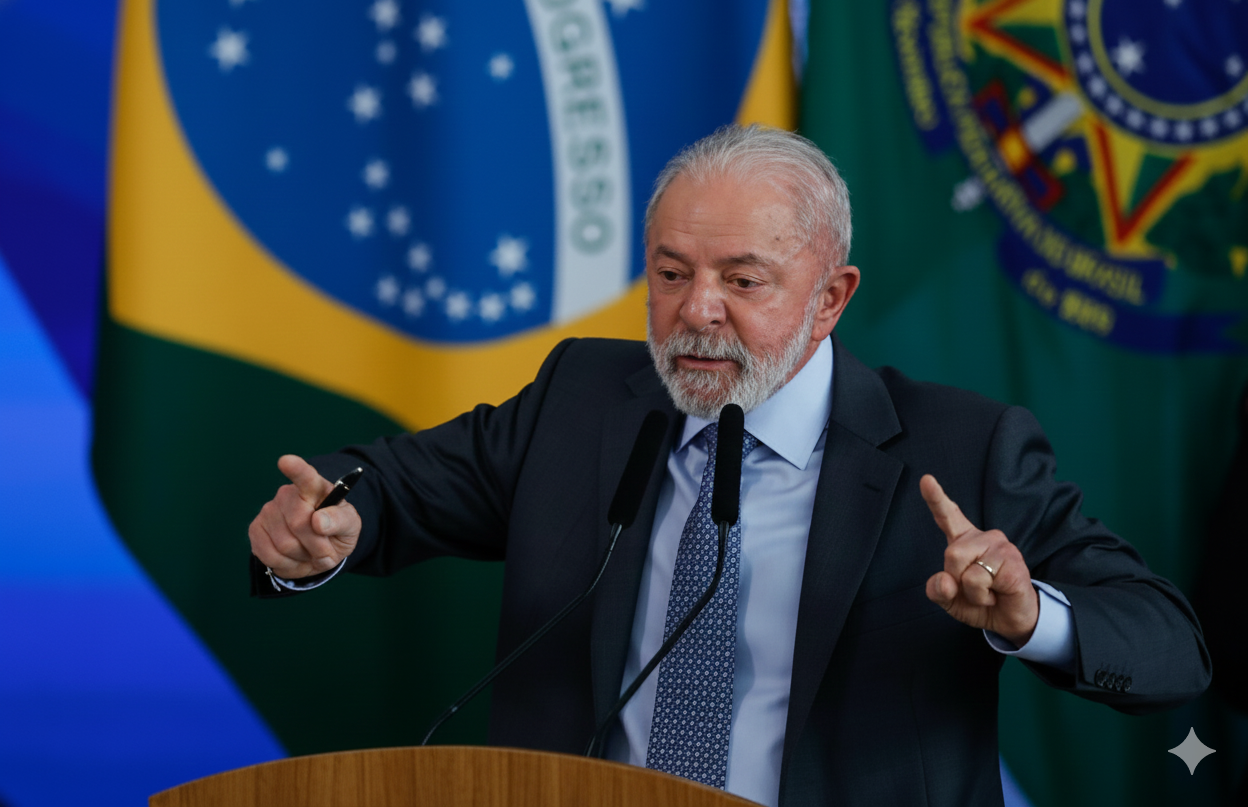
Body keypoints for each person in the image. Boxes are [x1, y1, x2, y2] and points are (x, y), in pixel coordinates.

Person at [249, 125, 1210, 807]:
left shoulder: (960, 448)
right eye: (671, 274)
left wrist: (1032, 616)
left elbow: (1168, 645)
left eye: (743, 280)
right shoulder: (584, 396)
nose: (697, 310)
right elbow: (390, 488)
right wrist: (329, 523)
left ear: (830, 298)